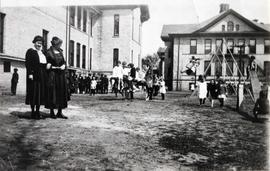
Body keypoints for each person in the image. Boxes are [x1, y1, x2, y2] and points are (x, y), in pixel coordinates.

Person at [45, 36, 69, 119]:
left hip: (61, 76)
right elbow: (47, 65)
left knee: (61, 92)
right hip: (53, 75)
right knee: (53, 93)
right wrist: (54, 67)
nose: (60, 46)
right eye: (59, 44)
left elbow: (64, 62)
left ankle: (59, 112)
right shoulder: (48, 52)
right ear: (55, 44)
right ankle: (52, 112)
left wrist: (64, 66)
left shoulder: (60, 52)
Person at [25, 35, 48, 119]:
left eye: (40, 43)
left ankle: (38, 111)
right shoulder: (30, 52)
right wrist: (30, 73)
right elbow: (28, 64)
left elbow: (45, 64)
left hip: (42, 76)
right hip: (34, 76)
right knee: (33, 93)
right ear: (34, 43)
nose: (39, 45)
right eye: (38, 43)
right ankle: (33, 112)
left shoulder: (43, 53)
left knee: (40, 94)